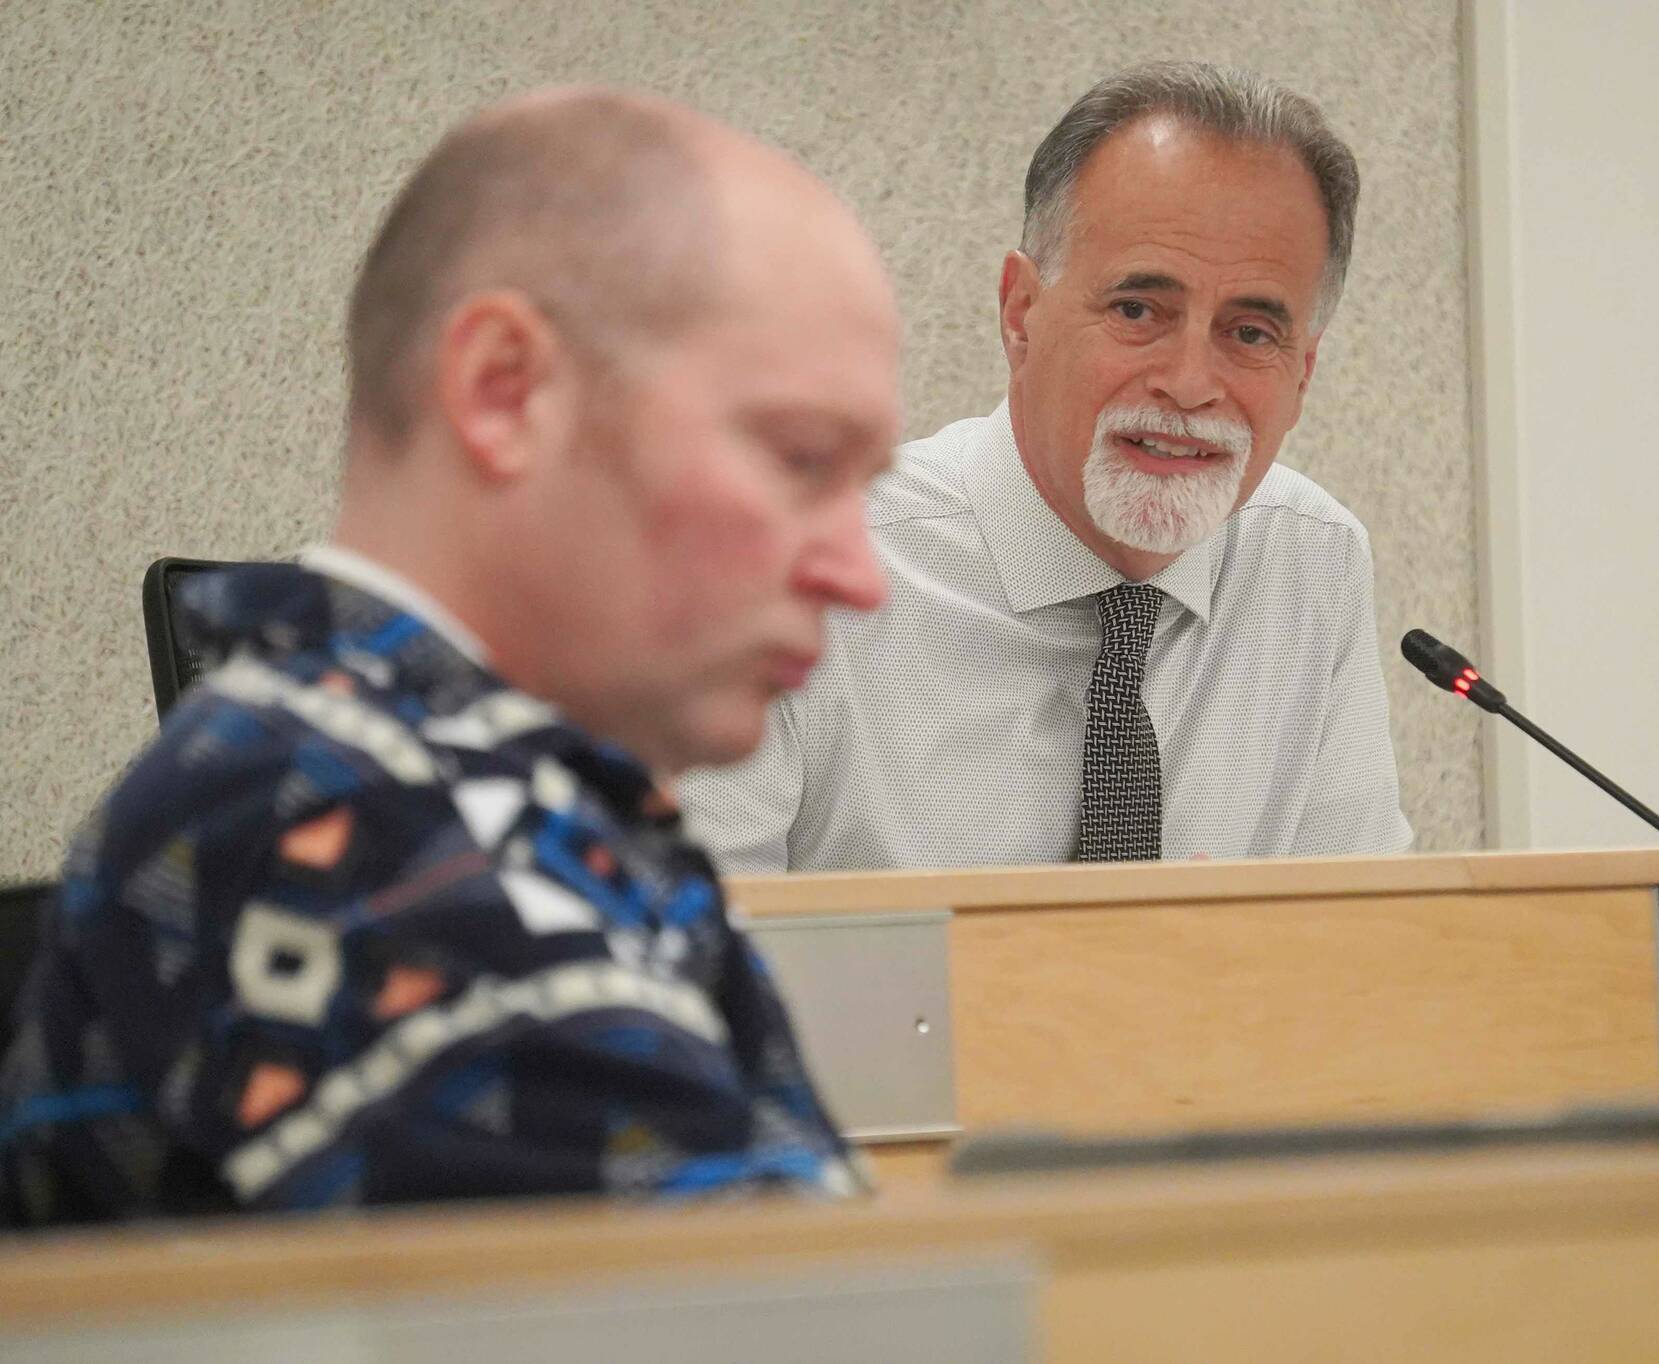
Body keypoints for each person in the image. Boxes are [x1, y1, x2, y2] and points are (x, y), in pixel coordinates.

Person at [0, 88, 900, 1224]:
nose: (858, 575)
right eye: (801, 459)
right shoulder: (366, 843)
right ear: (504, 391)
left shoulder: (443, 787)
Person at [682, 62, 1411, 873]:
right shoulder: (791, 570)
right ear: (1020, 313)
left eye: (1249, 333)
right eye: (1139, 311)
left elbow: (1361, 940)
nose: (1191, 383)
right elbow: (690, 967)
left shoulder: (1310, 560)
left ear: (1301, 373)